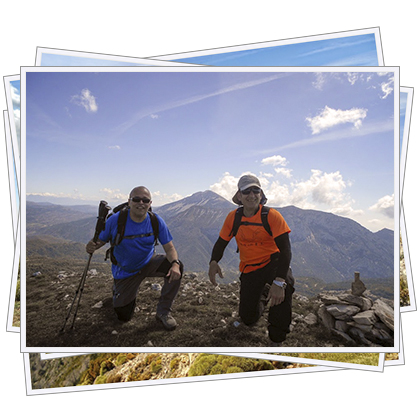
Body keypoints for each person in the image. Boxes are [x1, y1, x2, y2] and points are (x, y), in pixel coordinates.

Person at [208, 174, 294, 346]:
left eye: (256, 190)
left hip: (273, 263)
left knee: (286, 285)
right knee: (248, 319)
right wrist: (213, 262)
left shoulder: (271, 216)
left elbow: (285, 250)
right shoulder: (234, 217)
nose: (252, 195)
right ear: (239, 196)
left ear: (261, 194)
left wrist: (279, 282)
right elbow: (221, 242)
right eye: (247, 191)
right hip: (250, 268)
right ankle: (264, 294)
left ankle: (277, 333)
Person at [86, 186, 183, 331]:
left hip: (148, 262)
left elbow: (169, 248)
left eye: (145, 200)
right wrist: (92, 246)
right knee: (123, 317)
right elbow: (101, 241)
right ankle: (118, 291)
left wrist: (174, 264)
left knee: (177, 266)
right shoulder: (116, 220)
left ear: (150, 203)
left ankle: (163, 312)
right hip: (126, 271)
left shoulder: (156, 221)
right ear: (129, 202)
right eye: (136, 199)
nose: (141, 203)